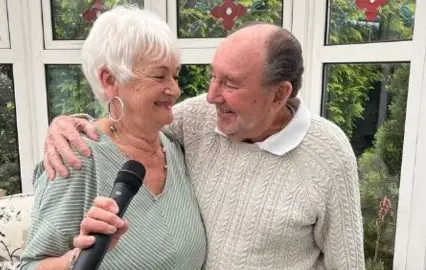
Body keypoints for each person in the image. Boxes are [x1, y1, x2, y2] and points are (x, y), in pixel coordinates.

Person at [42, 22, 365, 269]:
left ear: (279, 95)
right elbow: (133, 120)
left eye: (230, 83)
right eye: (213, 77)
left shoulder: (328, 153)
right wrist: (67, 124)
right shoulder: (201, 118)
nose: (210, 95)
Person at [19, 6, 206, 270]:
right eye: (159, 75)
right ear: (110, 80)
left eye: (175, 75)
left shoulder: (175, 148)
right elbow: (31, 265)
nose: (175, 89)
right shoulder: (78, 157)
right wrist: (79, 257)